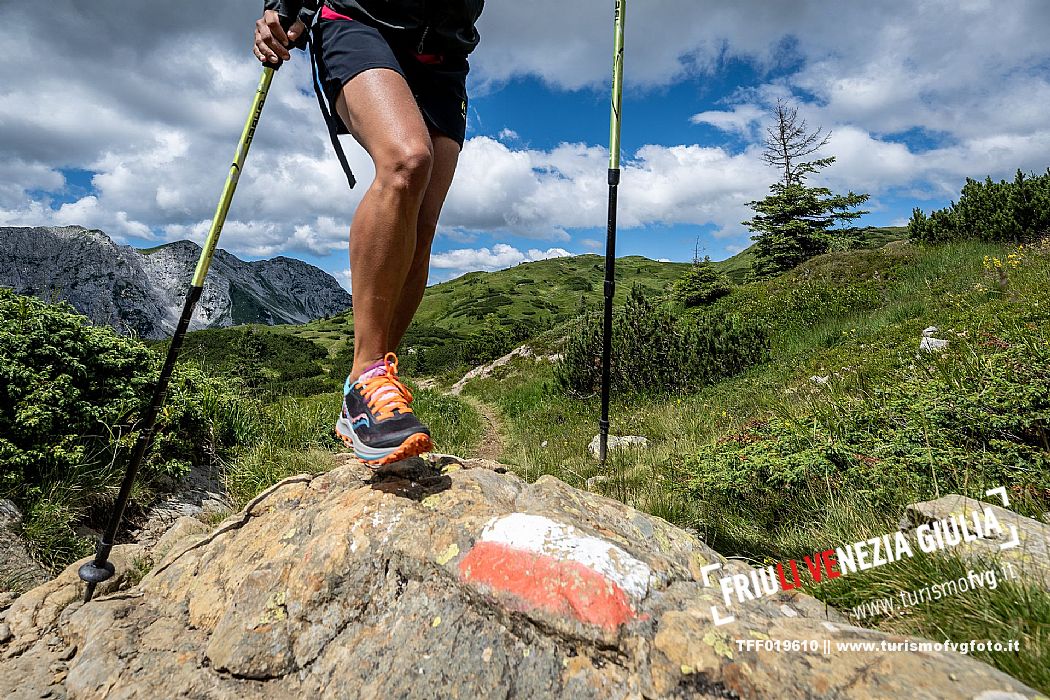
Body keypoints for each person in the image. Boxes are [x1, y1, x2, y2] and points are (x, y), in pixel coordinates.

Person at [253, 0, 484, 466]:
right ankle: (364, 377)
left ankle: (376, 391)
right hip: (360, 18)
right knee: (406, 161)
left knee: (422, 222)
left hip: (445, 50)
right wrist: (282, 4)